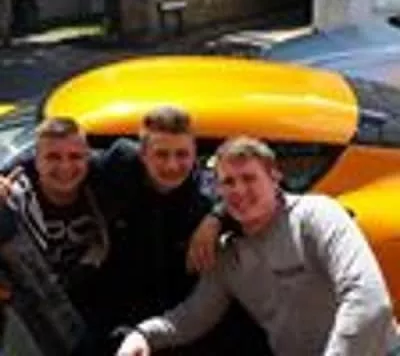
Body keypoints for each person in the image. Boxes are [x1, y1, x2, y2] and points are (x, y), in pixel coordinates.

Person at [116, 136, 399, 356]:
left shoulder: (316, 216)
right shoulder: (229, 255)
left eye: (249, 178)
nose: (239, 190)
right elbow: (192, 317)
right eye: (228, 182)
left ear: (275, 178)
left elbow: (369, 302)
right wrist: (142, 335)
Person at [93, 106, 270, 355]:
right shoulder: (120, 163)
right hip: (120, 312)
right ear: (143, 154)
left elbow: (270, 197)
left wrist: (216, 218)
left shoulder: (206, 195)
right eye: (161, 154)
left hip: (183, 320)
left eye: (182, 154)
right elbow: (63, 160)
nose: (172, 165)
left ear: (195, 153)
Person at [0, 117, 110, 355]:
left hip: (95, 313)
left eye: (75, 156)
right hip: (33, 325)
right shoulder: (11, 202)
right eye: (53, 157)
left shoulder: (106, 191)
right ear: (35, 161)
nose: (65, 167)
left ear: (88, 158)